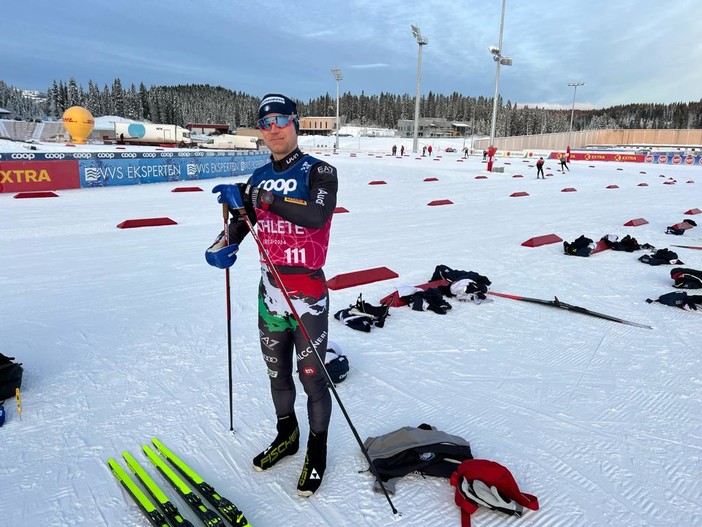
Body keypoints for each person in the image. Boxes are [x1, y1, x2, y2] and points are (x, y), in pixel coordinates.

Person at [206, 93, 338, 497]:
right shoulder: (258, 178)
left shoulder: (321, 172)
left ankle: (317, 449)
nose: (274, 128)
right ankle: (288, 435)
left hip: (308, 293)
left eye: (281, 119)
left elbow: (316, 217)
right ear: (261, 132)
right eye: (266, 123)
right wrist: (222, 243)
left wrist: (262, 199)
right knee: (277, 375)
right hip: (271, 293)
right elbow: (240, 229)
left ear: (295, 123)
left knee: (312, 379)